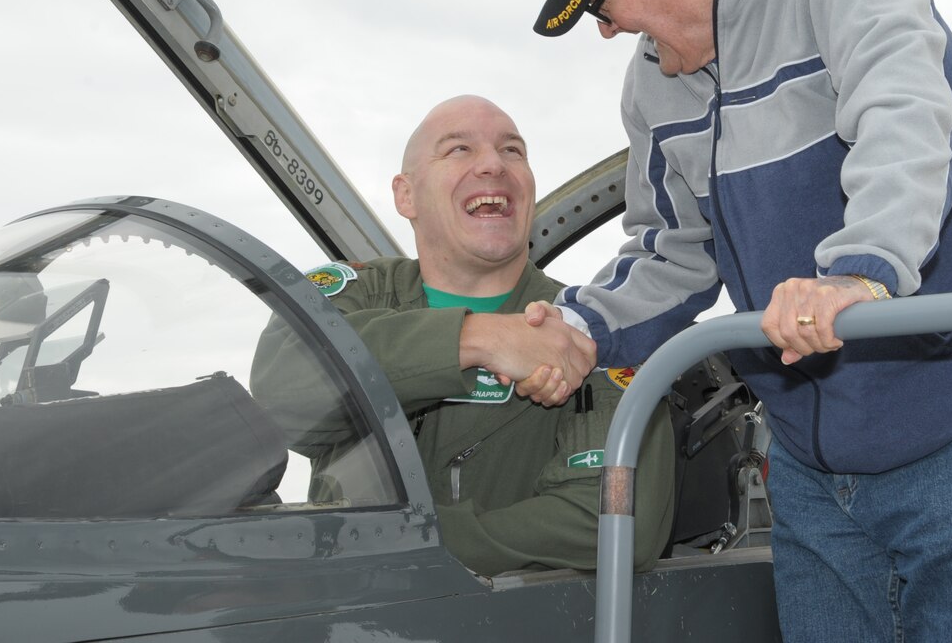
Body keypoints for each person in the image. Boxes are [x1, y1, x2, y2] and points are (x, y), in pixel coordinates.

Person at [527, 0, 952, 640]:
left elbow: (902, 125)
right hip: (813, 472)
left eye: (601, 6)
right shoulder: (654, 85)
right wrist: (580, 328)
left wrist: (858, 276)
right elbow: (672, 249)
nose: (607, 31)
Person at [252, 94, 674, 576]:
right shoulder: (350, 294)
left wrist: (393, 544)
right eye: (458, 150)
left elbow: (614, 520)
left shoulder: (590, 331)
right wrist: (479, 339)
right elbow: (283, 395)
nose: (493, 164)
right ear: (405, 194)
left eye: (513, 150)